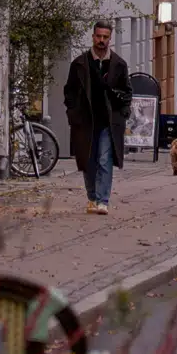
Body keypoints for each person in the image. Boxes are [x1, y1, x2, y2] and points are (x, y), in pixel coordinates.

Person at [63, 21, 133, 215]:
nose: (101, 40)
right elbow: (69, 91)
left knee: (104, 160)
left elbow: (127, 91)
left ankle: (103, 201)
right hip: (85, 122)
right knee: (88, 161)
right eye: (98, 36)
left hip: (109, 122)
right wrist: (72, 112)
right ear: (93, 37)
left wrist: (124, 110)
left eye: (105, 37)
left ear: (110, 39)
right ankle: (92, 197)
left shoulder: (118, 64)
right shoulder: (79, 64)